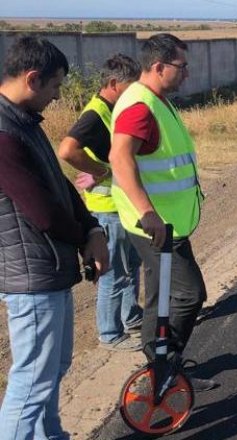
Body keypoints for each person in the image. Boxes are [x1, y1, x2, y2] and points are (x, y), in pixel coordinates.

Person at [0, 36, 109, 440]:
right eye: (55, 86)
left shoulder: (23, 122)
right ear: (32, 79)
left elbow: (59, 188)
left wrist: (93, 226)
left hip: (49, 271)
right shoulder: (4, 132)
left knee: (51, 371)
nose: (58, 95)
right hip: (31, 279)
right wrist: (86, 237)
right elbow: (43, 212)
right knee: (30, 384)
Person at [108, 33, 214, 390]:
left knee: (158, 296)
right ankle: (165, 369)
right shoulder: (140, 105)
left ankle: (157, 365)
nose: (186, 74)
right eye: (181, 67)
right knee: (189, 294)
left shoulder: (155, 99)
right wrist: (147, 212)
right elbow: (119, 158)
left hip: (166, 223)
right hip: (155, 225)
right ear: (158, 66)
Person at [57, 54, 144, 352]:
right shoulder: (95, 114)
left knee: (131, 265)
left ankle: (131, 316)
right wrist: (102, 172)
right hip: (107, 210)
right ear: (112, 83)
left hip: (122, 206)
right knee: (113, 272)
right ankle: (109, 333)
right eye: (130, 86)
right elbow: (67, 150)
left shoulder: (115, 109)